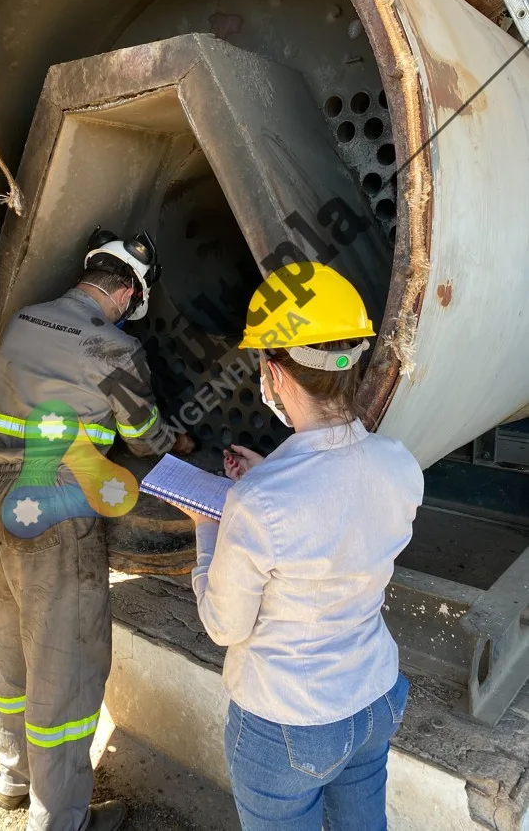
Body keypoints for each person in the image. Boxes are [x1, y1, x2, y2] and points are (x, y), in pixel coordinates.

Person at [186, 261, 424, 831]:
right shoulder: (400, 464)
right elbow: (341, 513)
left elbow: (224, 626)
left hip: (288, 723)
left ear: (274, 374)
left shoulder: (259, 504)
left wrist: (206, 527)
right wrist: (270, 474)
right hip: (375, 698)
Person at [0, 226, 194, 831]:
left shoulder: (23, 319)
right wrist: (178, 437)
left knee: (15, 651)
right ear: (129, 296)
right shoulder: (114, 349)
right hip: (56, 512)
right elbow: (143, 434)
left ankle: (13, 777)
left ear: (91, 274)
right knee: (65, 674)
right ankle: (61, 819)